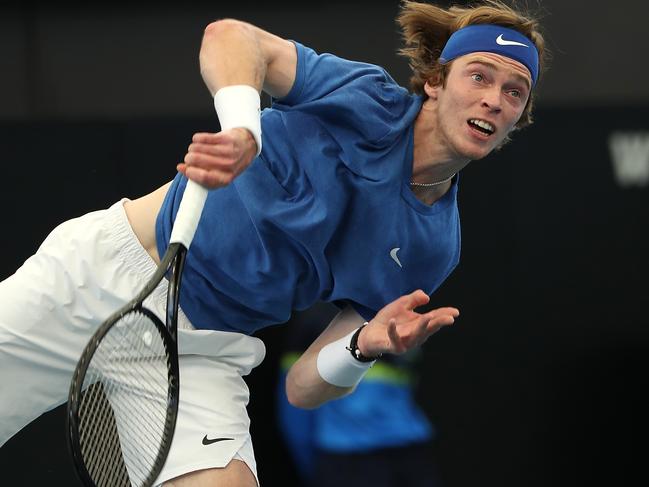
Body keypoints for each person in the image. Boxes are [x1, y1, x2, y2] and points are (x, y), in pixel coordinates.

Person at [0, 1, 547, 485]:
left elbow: (303, 388)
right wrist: (243, 129)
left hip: (199, 353)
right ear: (436, 82)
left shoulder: (433, 248)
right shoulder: (365, 99)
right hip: (100, 274)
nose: (495, 99)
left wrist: (362, 350)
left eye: (513, 91)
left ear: (519, 117)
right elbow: (230, 36)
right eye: (479, 76)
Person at [276, 302, 444, 487]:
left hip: (408, 447)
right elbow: (294, 405)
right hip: (349, 457)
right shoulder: (314, 317)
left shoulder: (395, 301)